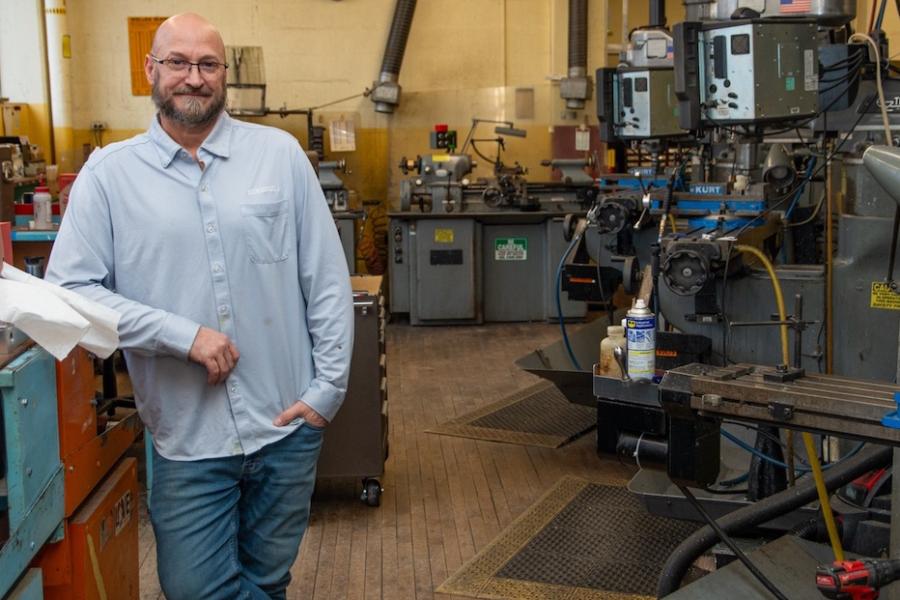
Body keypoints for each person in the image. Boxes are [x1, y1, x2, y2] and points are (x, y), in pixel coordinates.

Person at [46, 13, 353, 600]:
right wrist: (180, 335)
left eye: (208, 64)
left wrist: (326, 394)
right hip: (187, 439)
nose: (193, 77)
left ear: (224, 75)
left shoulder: (279, 156)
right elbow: (72, 294)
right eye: (178, 63)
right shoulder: (109, 177)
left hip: (285, 426)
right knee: (194, 590)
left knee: (268, 580)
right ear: (150, 71)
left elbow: (328, 280)